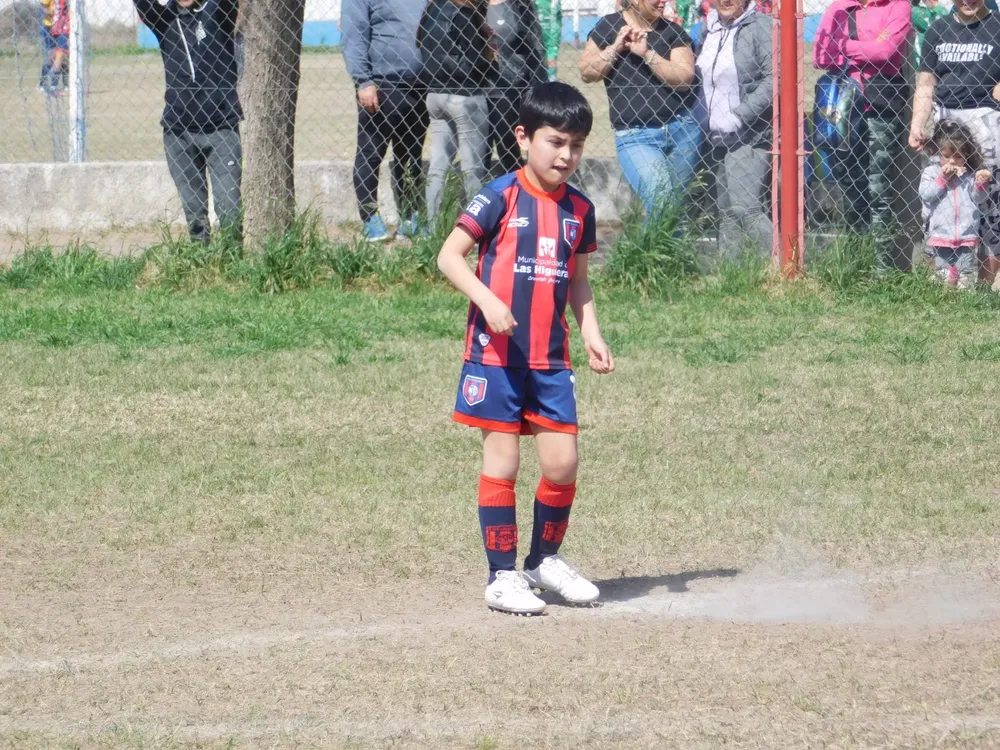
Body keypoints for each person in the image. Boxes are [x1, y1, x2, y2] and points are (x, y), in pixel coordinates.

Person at [436, 82, 614, 615]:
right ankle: (501, 577)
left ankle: (544, 561)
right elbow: (449, 257)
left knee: (562, 463)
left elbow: (578, 282)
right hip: (496, 357)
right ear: (523, 137)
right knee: (504, 460)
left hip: (551, 360)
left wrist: (590, 330)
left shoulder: (579, 209)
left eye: (577, 145)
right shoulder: (498, 196)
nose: (566, 155)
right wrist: (488, 302)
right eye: (556, 142)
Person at [813, 0, 912, 270]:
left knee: (878, 191)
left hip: (879, 108)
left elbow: (888, 51)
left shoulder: (897, 5)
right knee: (851, 191)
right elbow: (821, 55)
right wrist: (868, 48)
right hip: (842, 113)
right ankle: (856, 266)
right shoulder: (840, 7)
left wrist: (843, 46)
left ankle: (882, 271)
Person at [579, 0, 700, 220]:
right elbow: (587, 72)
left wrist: (647, 54)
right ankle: (643, 254)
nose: (664, 1)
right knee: (662, 201)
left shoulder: (673, 31)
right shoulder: (608, 26)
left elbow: (684, 78)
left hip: (682, 131)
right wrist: (616, 47)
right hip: (635, 135)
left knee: (676, 211)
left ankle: (664, 254)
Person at [134, 0, 243, 243]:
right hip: (179, 132)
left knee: (229, 207)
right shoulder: (165, 20)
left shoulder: (217, 11)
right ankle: (200, 263)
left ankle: (233, 262)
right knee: (195, 214)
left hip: (221, 127)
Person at [910, 0, 1000, 284]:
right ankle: (942, 279)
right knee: (942, 202)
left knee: (989, 206)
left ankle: (983, 287)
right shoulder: (939, 29)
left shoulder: (997, 27)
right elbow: (926, 84)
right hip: (946, 125)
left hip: (985, 122)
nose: (968, 1)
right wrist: (917, 125)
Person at [342, 0, 429, 242]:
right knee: (371, 154)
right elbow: (353, 35)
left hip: (420, 87)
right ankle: (370, 219)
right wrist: (363, 81)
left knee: (411, 156)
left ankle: (410, 218)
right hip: (381, 86)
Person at [695, 0, 773, 258]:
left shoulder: (762, 27)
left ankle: (786, 269)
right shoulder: (707, 30)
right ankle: (732, 277)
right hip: (711, 136)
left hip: (748, 134)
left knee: (746, 209)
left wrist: (739, 116)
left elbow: (775, 79)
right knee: (726, 212)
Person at [419, 0, 497, 225]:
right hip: (465, 94)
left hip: (435, 94)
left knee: (438, 163)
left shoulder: (431, 10)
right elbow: (475, 60)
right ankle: (477, 227)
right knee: (473, 167)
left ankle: (434, 227)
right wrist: (492, 60)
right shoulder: (465, 13)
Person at [919, 119, 992, 287]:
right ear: (938, 153)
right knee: (943, 274)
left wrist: (981, 183)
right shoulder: (932, 172)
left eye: (958, 157)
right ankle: (944, 296)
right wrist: (943, 179)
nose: (952, 161)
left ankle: (964, 298)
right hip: (941, 234)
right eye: (946, 156)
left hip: (966, 235)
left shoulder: (969, 175)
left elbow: (979, 199)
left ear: (966, 155)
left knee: (965, 274)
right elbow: (926, 195)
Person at [486, 0, 546, 175]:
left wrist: (541, 88)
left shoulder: (521, 5)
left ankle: (526, 191)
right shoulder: (474, 6)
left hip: (517, 89)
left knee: (519, 147)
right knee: (487, 152)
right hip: (482, 89)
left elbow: (537, 47)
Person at [911, 0, 948, 67]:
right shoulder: (917, 10)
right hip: (924, 56)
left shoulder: (945, 5)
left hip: (941, 55)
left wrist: (936, 5)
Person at [536, 0, 562, 81]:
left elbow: (557, 23)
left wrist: (553, 45)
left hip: (549, 41)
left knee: (550, 68)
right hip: (532, 40)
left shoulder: (554, 2)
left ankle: (550, 87)